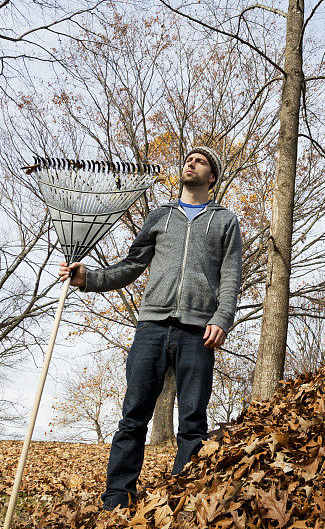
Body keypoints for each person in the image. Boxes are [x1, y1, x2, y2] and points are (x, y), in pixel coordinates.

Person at [59, 146, 243, 510]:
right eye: (188, 159)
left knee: (193, 421)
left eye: (201, 161)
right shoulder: (161, 216)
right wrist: (89, 278)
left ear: (212, 177)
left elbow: (231, 275)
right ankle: (117, 498)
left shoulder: (225, 221)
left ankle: (183, 498)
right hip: (152, 327)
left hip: (198, 332)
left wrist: (222, 319)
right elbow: (131, 265)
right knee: (134, 415)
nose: (191, 163)